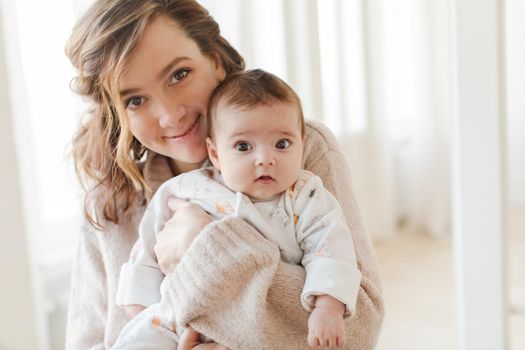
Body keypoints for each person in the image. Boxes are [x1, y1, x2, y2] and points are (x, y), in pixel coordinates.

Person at [65, 0, 384, 349]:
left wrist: (208, 248)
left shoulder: (297, 154)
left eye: (179, 75)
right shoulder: (109, 201)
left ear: (216, 60)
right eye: (134, 100)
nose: (170, 116)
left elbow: (358, 331)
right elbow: (90, 339)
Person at [112, 69, 362, 349]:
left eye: (282, 144)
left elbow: (331, 250)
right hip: (175, 317)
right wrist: (140, 307)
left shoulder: (306, 196)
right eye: (243, 146)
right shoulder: (187, 190)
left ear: (301, 146)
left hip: (248, 327)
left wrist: (327, 307)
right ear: (216, 154)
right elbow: (148, 250)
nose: (265, 159)